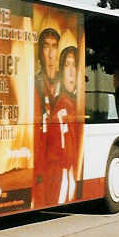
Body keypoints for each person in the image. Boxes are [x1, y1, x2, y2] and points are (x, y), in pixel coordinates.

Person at [32, 27, 60, 208]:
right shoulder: (35, 84)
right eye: (46, 47)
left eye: (54, 47)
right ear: (40, 52)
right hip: (41, 166)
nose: (50, 53)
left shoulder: (65, 85)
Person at [53, 43, 83, 204]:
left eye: (75, 65)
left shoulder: (75, 104)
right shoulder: (61, 106)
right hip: (65, 168)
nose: (71, 72)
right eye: (67, 65)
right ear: (61, 71)